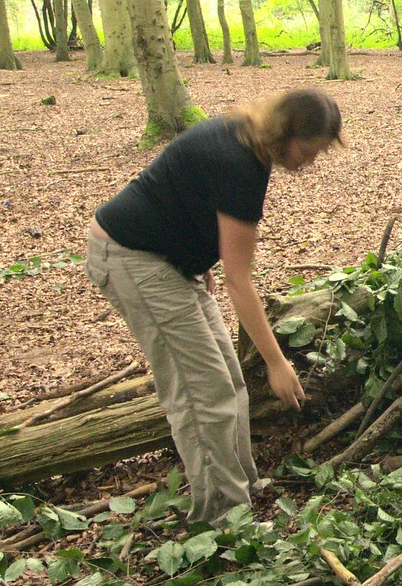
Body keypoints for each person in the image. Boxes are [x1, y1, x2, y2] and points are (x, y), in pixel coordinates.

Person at [85, 89, 343, 525]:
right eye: (310, 150)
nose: (310, 162)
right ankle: (223, 520)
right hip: (133, 260)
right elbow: (239, 282)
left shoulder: (243, 138)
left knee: (228, 378)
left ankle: (242, 487)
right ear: (286, 133)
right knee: (202, 394)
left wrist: (195, 256)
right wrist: (276, 362)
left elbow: (187, 194)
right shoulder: (239, 164)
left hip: (168, 260)